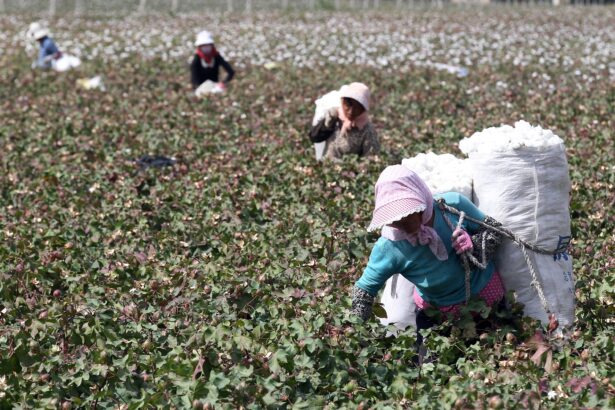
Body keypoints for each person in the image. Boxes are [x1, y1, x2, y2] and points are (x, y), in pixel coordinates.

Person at [351, 165, 505, 347]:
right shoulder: (389, 246)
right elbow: (363, 291)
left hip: (485, 301)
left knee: (498, 356)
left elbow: (495, 230)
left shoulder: (451, 206)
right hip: (438, 314)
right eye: (395, 219)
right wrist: (356, 337)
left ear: (421, 198)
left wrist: (475, 244)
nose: (403, 224)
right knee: (429, 368)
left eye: (407, 214)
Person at [309, 83, 379, 161]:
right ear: (342, 102)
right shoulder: (334, 116)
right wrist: (328, 122)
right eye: (348, 105)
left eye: (357, 107)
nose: (351, 111)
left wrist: (351, 168)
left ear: (363, 109)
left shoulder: (367, 129)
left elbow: (371, 159)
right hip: (326, 167)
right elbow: (314, 137)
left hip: (349, 172)